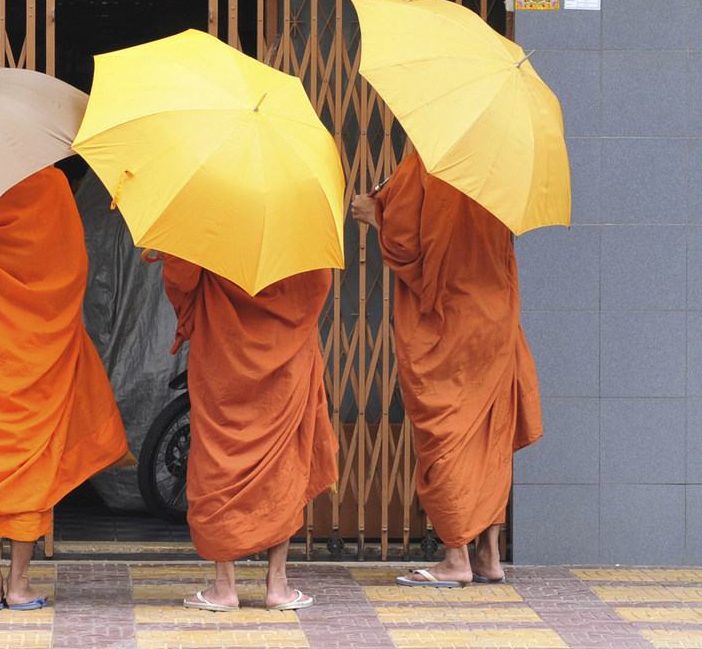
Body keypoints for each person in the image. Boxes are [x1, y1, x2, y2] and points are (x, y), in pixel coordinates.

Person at [0, 165, 132, 611]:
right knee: (33, 459)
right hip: (42, 344)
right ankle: (19, 586)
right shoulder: (53, 184)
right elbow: (75, 263)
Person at [349, 153, 541, 587]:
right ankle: (489, 554)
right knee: (488, 433)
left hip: (449, 318)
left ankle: (456, 558)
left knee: (447, 432)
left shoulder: (427, 162)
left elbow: (408, 246)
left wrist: (373, 214)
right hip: (495, 314)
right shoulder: (502, 167)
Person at [160, 255, 338, 611]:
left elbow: (180, 278)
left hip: (222, 355)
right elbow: (319, 284)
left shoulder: (211, 212)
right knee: (283, 462)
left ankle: (224, 587)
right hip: (286, 360)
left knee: (218, 459)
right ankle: (278, 585)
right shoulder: (298, 220)